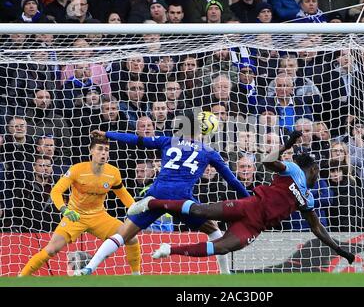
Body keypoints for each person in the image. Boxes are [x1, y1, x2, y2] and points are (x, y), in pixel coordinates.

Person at [138, 130, 355, 264]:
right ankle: (152, 203)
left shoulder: (308, 200)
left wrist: (339, 249)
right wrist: (287, 144)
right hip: (249, 205)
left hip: (255, 226)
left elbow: (317, 228)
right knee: (200, 211)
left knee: (221, 247)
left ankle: (169, 250)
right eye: (318, 170)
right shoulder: (293, 170)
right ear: (314, 170)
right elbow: (268, 162)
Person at [76, 111, 250, 275]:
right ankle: (225, 273)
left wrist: (108, 134)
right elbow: (232, 181)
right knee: (214, 231)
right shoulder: (209, 152)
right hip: (182, 199)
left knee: (122, 235)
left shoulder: (168, 140)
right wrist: (250, 199)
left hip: (157, 194)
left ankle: (89, 268)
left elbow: (136, 140)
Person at [19, 136, 141, 276]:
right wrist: (64, 209)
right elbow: (56, 191)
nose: (104, 153)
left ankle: (136, 276)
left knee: (132, 237)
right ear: (91, 151)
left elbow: (123, 194)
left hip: (99, 217)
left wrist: (136, 209)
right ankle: (21, 277)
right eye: (100, 149)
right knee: (52, 249)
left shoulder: (113, 172)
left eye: (106, 150)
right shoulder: (77, 170)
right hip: (75, 216)